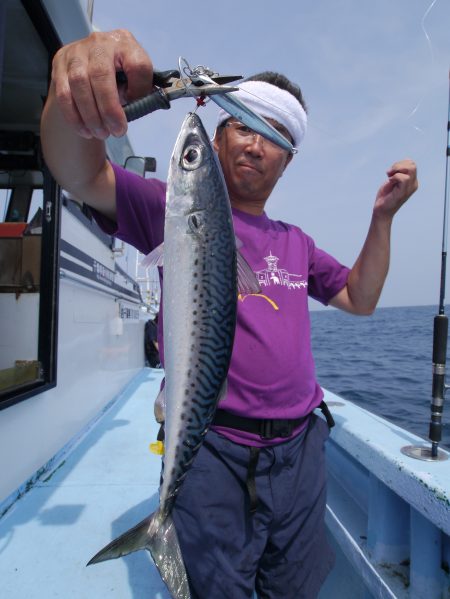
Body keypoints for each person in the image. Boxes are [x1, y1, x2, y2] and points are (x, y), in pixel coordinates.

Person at [40, 30, 418, 599]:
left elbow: (360, 300)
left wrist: (383, 218)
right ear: (218, 139)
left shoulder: (296, 242)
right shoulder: (168, 208)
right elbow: (79, 173)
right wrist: (75, 105)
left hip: (300, 453)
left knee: (293, 586)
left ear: (288, 161)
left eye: (275, 138)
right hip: (213, 448)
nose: (255, 146)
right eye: (244, 126)